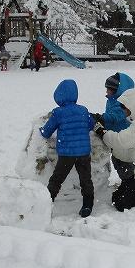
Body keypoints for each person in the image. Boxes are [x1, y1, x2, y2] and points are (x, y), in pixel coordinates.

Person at [40, 79, 96, 218]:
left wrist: (41, 130)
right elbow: (90, 125)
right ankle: (87, 206)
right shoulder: (83, 110)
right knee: (86, 180)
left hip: (67, 154)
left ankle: (46, 202)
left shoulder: (58, 112)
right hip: (83, 153)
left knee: (57, 179)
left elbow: (47, 131)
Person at [91, 73, 135, 188]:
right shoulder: (111, 100)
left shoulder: (122, 104)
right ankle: (128, 181)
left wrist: (101, 117)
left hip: (122, 139)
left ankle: (130, 183)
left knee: (123, 162)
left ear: (117, 90)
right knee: (117, 161)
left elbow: (115, 116)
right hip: (115, 137)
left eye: (109, 89)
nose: (106, 91)